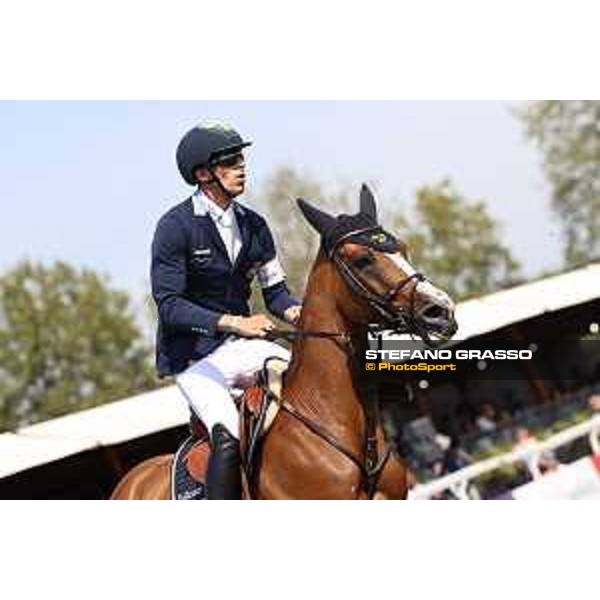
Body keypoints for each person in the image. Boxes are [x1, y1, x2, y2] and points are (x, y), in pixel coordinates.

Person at [151, 121, 302, 499]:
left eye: (242, 158)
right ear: (203, 174)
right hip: (193, 358)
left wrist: (302, 314)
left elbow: (277, 296)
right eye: (230, 161)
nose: (242, 167)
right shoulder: (175, 227)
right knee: (229, 434)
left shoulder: (254, 225)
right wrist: (235, 322)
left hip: (242, 347)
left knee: (309, 389)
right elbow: (170, 306)